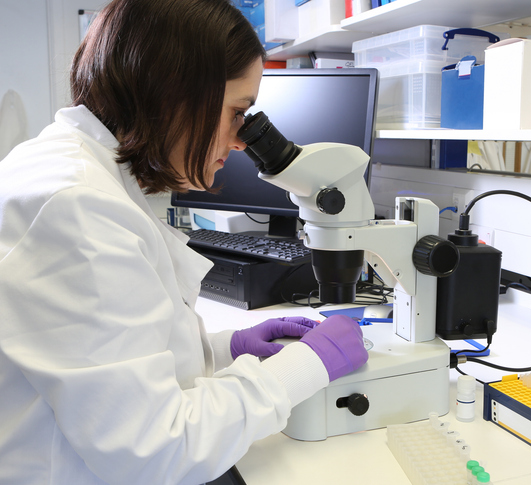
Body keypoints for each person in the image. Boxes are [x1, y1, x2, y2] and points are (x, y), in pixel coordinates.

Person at [0, 1, 368, 484]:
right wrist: (305, 366)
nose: (241, 141)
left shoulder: (75, 170)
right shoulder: (76, 206)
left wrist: (225, 349)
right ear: (174, 92)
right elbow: (153, 450)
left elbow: (111, 359)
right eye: (238, 112)